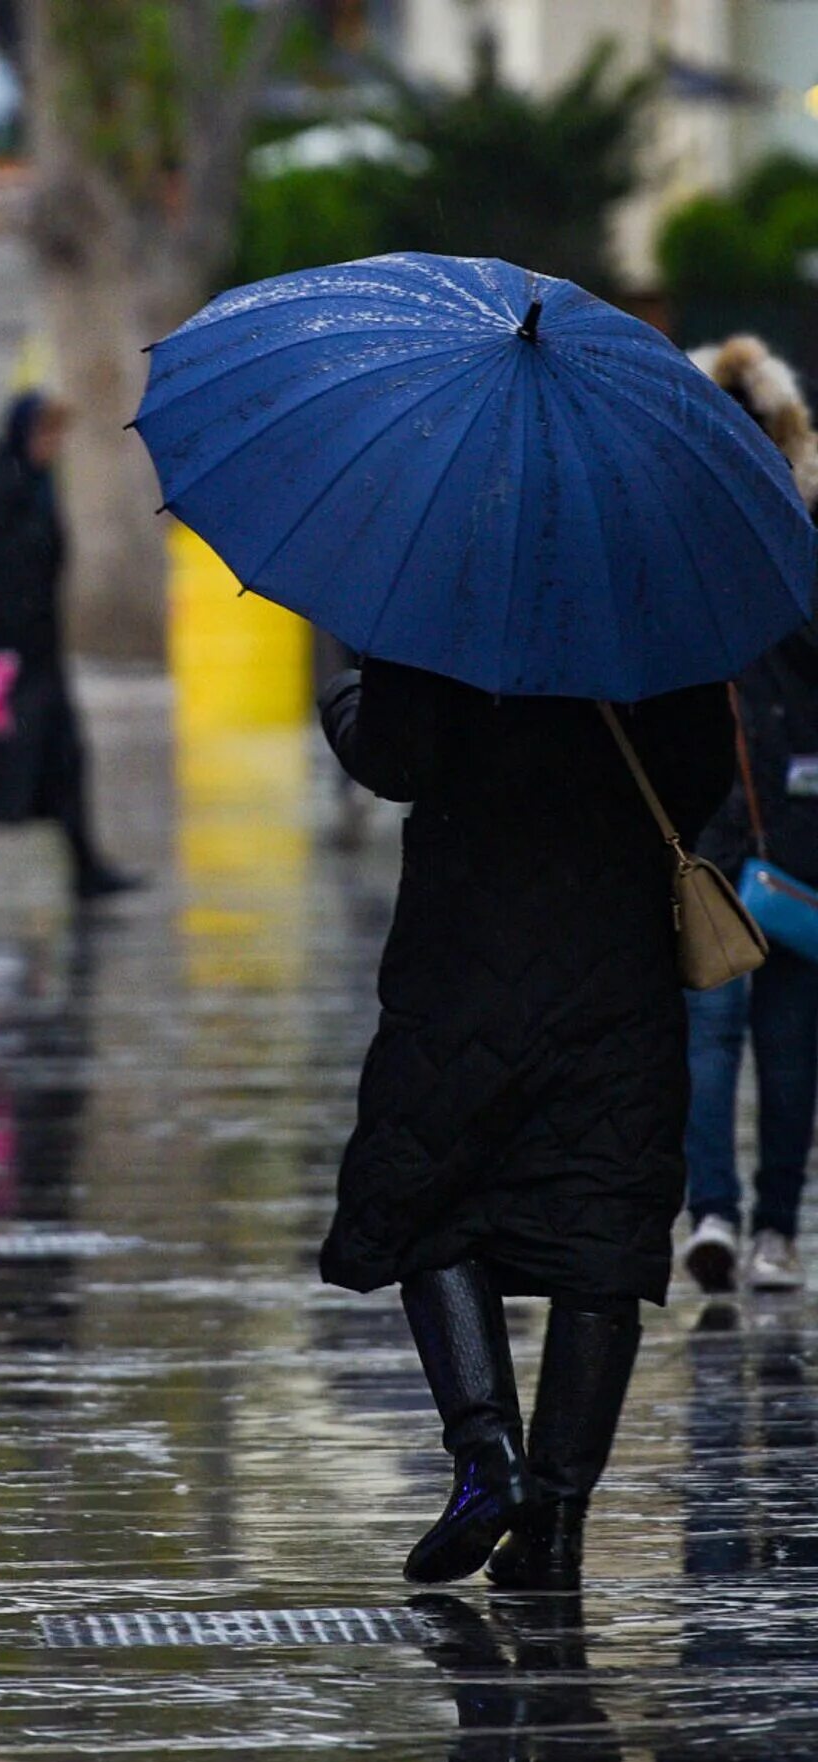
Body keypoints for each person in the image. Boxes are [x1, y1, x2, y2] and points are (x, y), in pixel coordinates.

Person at [320, 660, 733, 1591]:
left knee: (427, 1195)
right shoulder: (656, 604)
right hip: (615, 963)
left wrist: (343, 699)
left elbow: (397, 755)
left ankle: (485, 1459)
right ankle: (553, 1523)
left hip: (463, 969)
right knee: (604, 1225)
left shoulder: (447, 598)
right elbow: (702, 773)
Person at [680, 335, 818, 1297]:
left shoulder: (804, 549)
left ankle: (774, 1226)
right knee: (712, 1031)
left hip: (802, 828)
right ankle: (717, 1215)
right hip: (707, 830)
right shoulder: (676, 551)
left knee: (788, 1046)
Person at [0, 392, 140, 919]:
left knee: (62, 758)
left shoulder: (39, 490)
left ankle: (85, 867)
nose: (52, 445)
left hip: (37, 653)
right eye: (44, 434)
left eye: (56, 435)